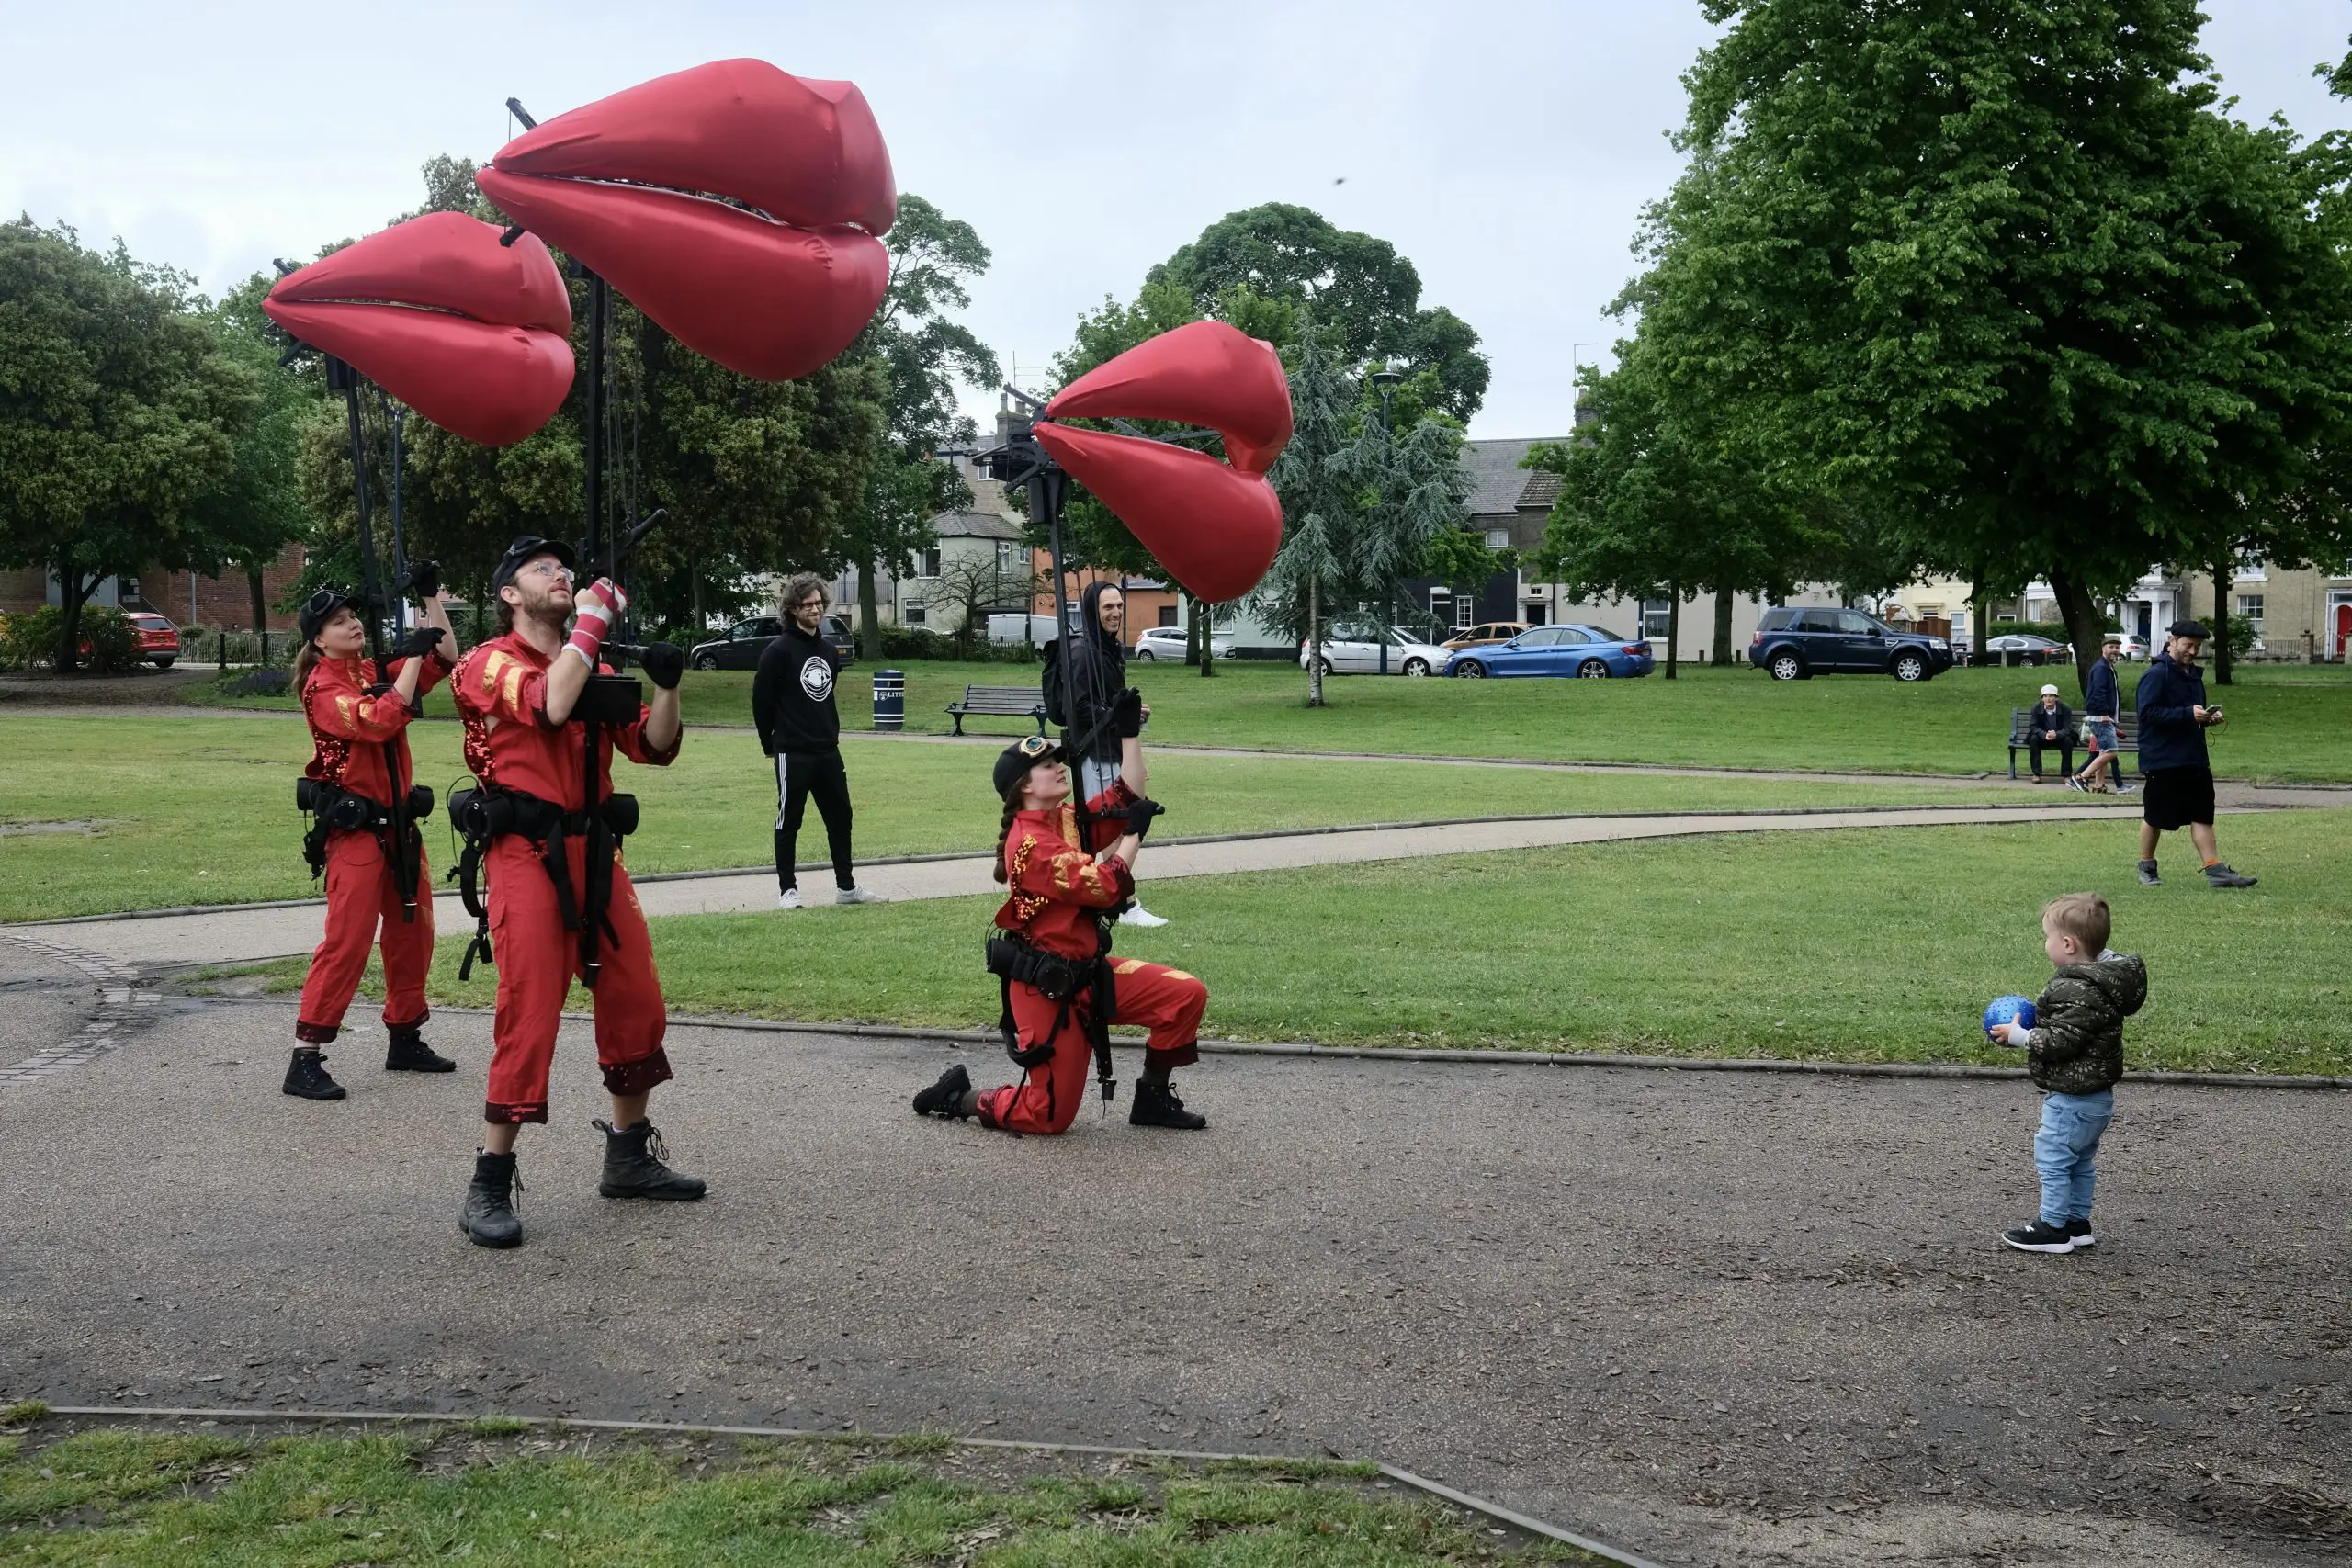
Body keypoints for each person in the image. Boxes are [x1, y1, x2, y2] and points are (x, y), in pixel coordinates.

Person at [447, 536, 702, 1248]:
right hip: (525, 852)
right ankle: (489, 1180)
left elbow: (652, 746)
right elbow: (551, 706)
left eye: (566, 569)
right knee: (529, 1010)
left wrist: (669, 685)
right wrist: (591, 618)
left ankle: (627, 1156)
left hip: (597, 850)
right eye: (542, 569)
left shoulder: (594, 661)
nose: (560, 575)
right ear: (509, 593)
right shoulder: (486, 662)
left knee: (637, 998)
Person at [909, 725, 1208, 1134]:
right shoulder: (1031, 844)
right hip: (1049, 991)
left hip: (1088, 974)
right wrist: (1134, 834)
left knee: (1184, 994)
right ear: (1024, 787)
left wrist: (1129, 733)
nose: (1058, 768)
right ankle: (959, 1098)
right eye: (1047, 766)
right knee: (1047, 1116)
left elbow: (1128, 795)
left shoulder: (1063, 820)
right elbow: (1104, 887)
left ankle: (1152, 1099)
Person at [283, 578, 458, 1100]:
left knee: (413, 936)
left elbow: (446, 657)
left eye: (353, 617)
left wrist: (431, 601)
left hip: (400, 829)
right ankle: (305, 1057)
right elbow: (377, 721)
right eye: (339, 621)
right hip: (355, 833)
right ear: (319, 640)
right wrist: (408, 658)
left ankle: (405, 1038)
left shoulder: (369, 669)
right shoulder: (321, 687)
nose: (353, 624)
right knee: (348, 942)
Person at [1987, 893, 2146, 1254]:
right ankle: (2077, 1223)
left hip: (2073, 1097)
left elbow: (2062, 1040)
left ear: (2068, 944)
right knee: (2080, 1161)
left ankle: (2053, 1228)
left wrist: (2020, 1037)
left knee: (2053, 1160)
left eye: (2047, 937)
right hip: (2096, 1097)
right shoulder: (2103, 981)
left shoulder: (2074, 987)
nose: (2045, 945)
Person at [754, 573, 883, 909]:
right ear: (793, 608)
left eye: (819, 603)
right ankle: (788, 891)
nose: (815, 609)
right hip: (792, 751)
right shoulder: (777, 651)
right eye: (808, 604)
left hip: (827, 750)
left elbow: (824, 696)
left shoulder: (828, 650)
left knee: (841, 817)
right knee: (789, 820)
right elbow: (762, 702)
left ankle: (846, 887)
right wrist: (770, 744)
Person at [1057, 581, 1166, 928]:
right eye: (1108, 607)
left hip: (1113, 749)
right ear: (1093, 611)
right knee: (1110, 826)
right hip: (1094, 754)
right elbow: (1076, 708)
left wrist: (1128, 714)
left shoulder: (1109, 649)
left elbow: (1107, 705)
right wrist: (1116, 712)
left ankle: (1110, 897)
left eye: (1119, 606)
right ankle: (1122, 903)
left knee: (1118, 820)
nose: (1116, 613)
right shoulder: (1082, 652)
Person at [2132, 621, 2254, 888]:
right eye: (2188, 645)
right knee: (2156, 816)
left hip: (2194, 758)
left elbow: (2193, 713)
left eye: (2197, 647)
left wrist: (2207, 718)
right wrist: (2188, 714)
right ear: (2172, 641)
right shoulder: (2156, 674)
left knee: (2202, 814)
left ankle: (2215, 871)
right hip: (2163, 759)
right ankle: (2147, 865)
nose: (2193, 651)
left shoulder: (2194, 676)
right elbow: (2147, 713)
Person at [2070, 636, 2129, 794]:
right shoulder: (2101, 668)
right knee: (2111, 751)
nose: (2115, 650)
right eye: (2111, 647)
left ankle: (2098, 785)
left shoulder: (2108, 668)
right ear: (2103, 649)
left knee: (2104, 751)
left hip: (2105, 717)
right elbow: (2098, 693)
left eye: (2117, 647)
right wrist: (2103, 714)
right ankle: (2081, 777)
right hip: (2100, 717)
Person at [2026, 683, 2074, 781]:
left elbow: (2068, 728)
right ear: (2042, 698)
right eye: (2045, 696)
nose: (2048, 699)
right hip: (2043, 737)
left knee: (2068, 741)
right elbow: (2033, 726)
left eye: (2051, 696)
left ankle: (2066, 774)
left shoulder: (2065, 708)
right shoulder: (2036, 707)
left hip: (2059, 737)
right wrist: (2044, 734)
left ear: (2056, 698)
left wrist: (2056, 734)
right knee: (2033, 739)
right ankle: (2036, 774)